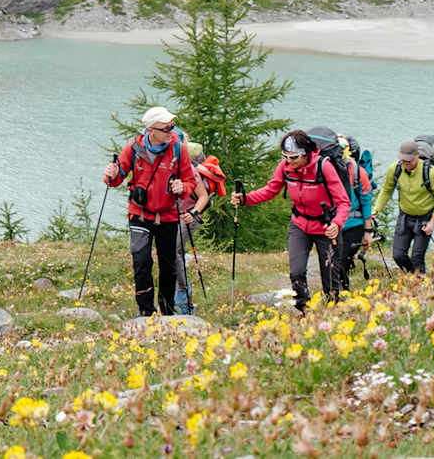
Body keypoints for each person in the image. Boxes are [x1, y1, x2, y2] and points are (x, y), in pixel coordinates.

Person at [230, 129, 350, 314]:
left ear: (305, 154)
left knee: (331, 280)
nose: (289, 161)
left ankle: (333, 314)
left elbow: (343, 201)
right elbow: (270, 190)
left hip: (326, 227)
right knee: (296, 272)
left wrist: (337, 223)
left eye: (293, 157)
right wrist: (246, 199)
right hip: (300, 225)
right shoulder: (285, 166)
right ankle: (304, 310)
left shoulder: (323, 167)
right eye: (285, 156)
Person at [103, 107, 197, 317]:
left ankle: (167, 309)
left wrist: (184, 188)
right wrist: (111, 173)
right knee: (141, 262)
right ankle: (146, 311)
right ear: (151, 130)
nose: (171, 132)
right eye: (166, 129)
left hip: (169, 215)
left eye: (172, 127)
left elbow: (190, 182)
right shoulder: (134, 149)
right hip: (140, 213)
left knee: (168, 265)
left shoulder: (178, 149)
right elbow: (115, 179)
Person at [371, 139, 434, 274]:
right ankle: (415, 278)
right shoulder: (395, 169)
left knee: (417, 257)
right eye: (403, 161)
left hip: (425, 218)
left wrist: (432, 223)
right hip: (405, 217)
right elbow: (387, 190)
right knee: (398, 255)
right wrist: (376, 210)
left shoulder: (431, 173)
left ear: (417, 155)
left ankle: (419, 283)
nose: (406, 164)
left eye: (409, 161)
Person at [174, 144, 227, 313]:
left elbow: (204, 197)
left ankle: (184, 301)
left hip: (189, 215)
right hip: (175, 215)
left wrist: (193, 212)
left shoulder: (189, 169)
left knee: (175, 252)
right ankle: (178, 299)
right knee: (173, 253)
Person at [336, 136, 374, 293]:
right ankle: (338, 293)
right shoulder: (326, 170)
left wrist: (368, 232)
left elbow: (366, 203)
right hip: (334, 224)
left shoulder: (359, 173)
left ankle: (342, 293)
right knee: (333, 262)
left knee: (341, 261)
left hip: (354, 225)